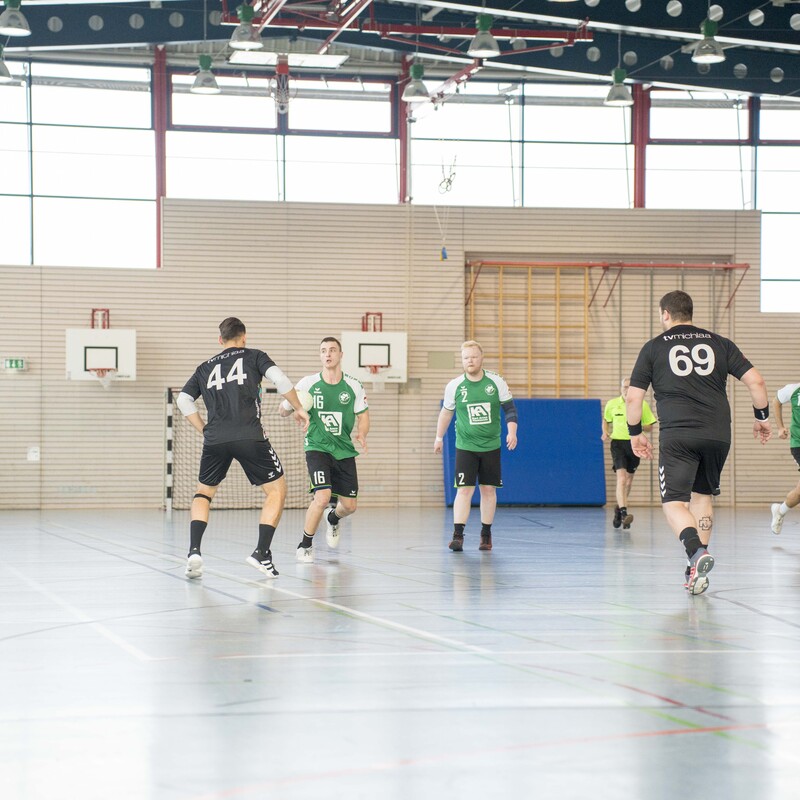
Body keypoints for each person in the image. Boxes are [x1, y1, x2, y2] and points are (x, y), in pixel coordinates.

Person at [626, 290, 770, 595]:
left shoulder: (653, 348)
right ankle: (696, 571)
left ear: (665, 314)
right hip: (718, 434)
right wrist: (762, 417)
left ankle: (696, 553)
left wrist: (635, 432)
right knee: (702, 496)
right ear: (690, 312)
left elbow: (634, 398)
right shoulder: (720, 343)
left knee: (674, 503)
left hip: (678, 435)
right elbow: (756, 381)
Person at [177, 317, 310, 580]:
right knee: (276, 490)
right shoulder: (254, 356)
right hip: (249, 435)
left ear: (220, 340)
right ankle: (261, 553)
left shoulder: (204, 368)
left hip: (215, 438)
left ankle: (194, 552)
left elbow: (183, 400)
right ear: (244, 336)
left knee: (204, 492)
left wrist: (204, 429)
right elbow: (281, 379)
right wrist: (298, 408)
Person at [279, 336, 369, 563]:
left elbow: (364, 415)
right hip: (317, 446)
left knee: (350, 506)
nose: (327, 354)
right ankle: (305, 545)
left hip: (344, 450)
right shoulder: (307, 384)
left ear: (340, 355)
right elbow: (283, 410)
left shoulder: (354, 385)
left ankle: (333, 518)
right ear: (320, 356)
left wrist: (362, 433)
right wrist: (291, 405)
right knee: (322, 496)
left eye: (332, 350)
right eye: (323, 350)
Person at [434, 340, 518, 552]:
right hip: (466, 446)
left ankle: (486, 533)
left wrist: (512, 432)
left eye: (473, 357)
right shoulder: (454, 386)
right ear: (462, 360)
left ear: (481, 358)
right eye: (466, 358)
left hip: (491, 446)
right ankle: (458, 535)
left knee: (488, 490)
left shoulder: (496, 382)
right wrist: (438, 437)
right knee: (464, 490)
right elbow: (446, 413)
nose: (469, 361)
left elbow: (510, 409)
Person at [602, 378, 657, 529]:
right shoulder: (612, 404)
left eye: (630, 387)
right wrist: (605, 431)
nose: (627, 390)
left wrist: (636, 426)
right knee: (621, 478)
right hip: (618, 444)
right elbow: (606, 420)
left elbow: (650, 426)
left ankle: (618, 508)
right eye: (625, 387)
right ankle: (624, 513)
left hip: (634, 444)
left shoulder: (642, 405)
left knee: (628, 481)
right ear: (621, 388)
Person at [769, 384, 800, 535]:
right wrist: (780, 427)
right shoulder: (794, 390)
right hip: (799, 444)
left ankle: (780, 510)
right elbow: (776, 401)